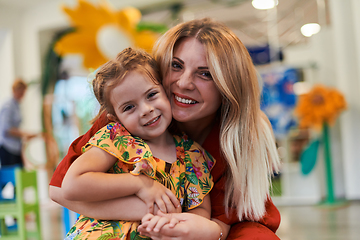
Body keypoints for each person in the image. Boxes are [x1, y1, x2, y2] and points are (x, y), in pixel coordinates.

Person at [49, 18, 281, 240]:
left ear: (227, 85)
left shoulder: (207, 151)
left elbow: (214, 219)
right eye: (176, 66)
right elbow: (61, 190)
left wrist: (186, 225)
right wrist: (145, 198)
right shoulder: (121, 124)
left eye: (205, 73)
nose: (183, 83)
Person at [62, 47, 215, 240]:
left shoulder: (193, 155)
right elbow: (71, 185)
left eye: (151, 95)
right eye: (129, 107)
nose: (145, 110)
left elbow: (200, 210)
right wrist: (140, 184)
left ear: (166, 91)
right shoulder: (117, 138)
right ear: (116, 118)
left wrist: (177, 227)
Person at [0, 78, 37, 168]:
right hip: (7, 147)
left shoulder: (17, 105)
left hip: (16, 148)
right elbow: (6, 129)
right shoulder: (8, 106)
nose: (22, 94)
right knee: (10, 177)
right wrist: (24, 134)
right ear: (14, 90)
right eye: (21, 92)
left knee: (20, 175)